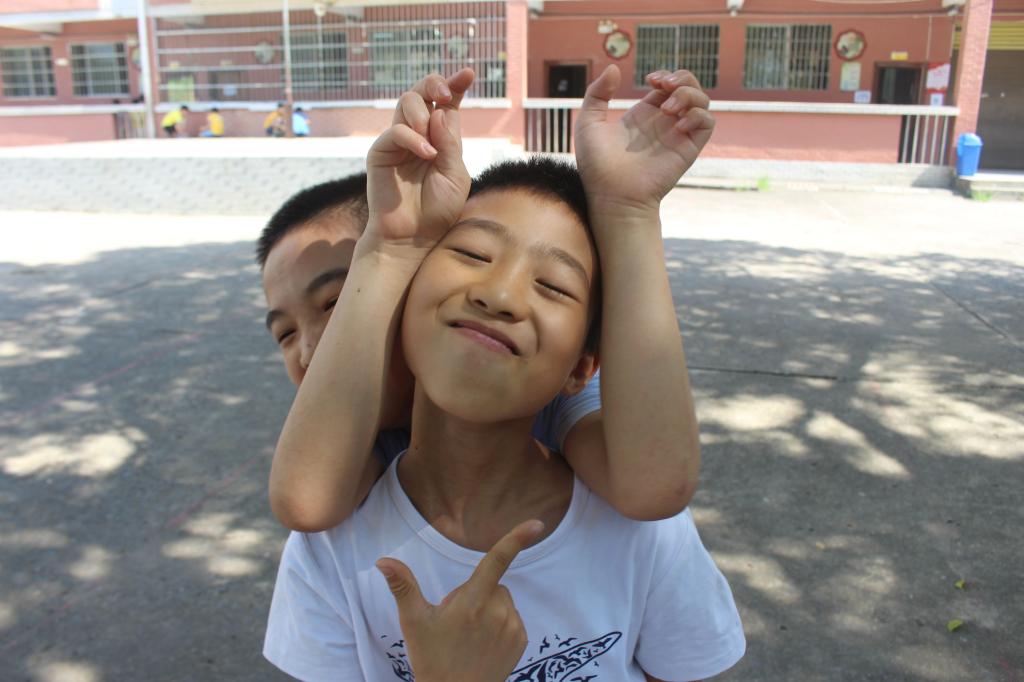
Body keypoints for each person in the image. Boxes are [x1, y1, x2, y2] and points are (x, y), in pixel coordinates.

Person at [264, 65, 743, 681]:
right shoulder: (333, 540)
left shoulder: (628, 518)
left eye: (554, 286)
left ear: (582, 369)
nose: (500, 294)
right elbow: (303, 499)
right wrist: (389, 248)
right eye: (470, 254)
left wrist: (629, 212)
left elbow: (657, 488)